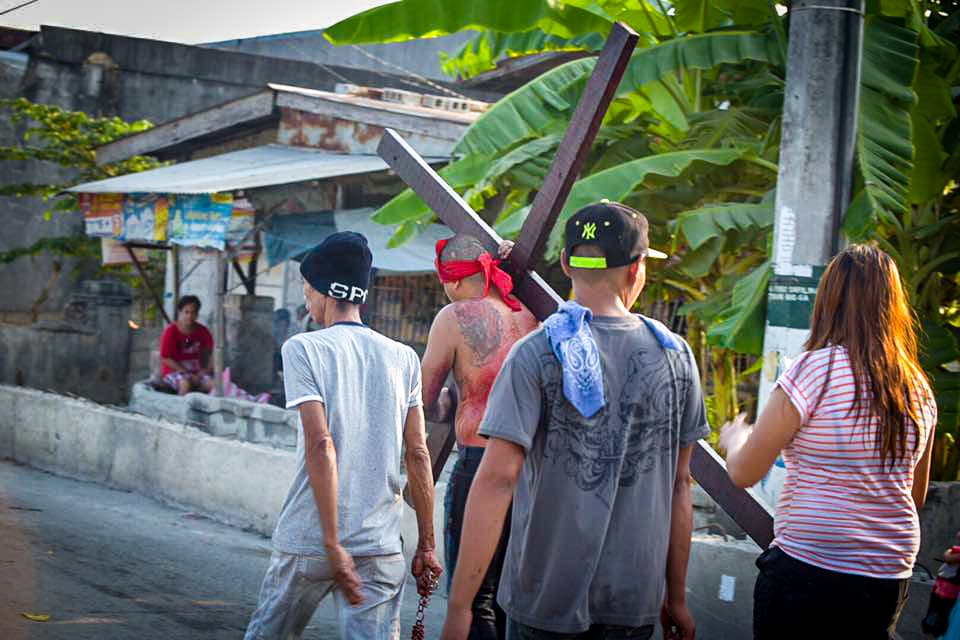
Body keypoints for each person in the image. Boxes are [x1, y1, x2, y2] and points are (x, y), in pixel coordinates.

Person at [441, 202, 708, 640]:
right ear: (637, 268)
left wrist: (460, 606)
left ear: (566, 262)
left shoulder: (534, 353)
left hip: (542, 599)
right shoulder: (675, 357)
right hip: (632, 601)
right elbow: (681, 485)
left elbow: (496, 481)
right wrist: (675, 597)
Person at [720, 244, 938, 640]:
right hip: (887, 577)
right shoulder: (916, 386)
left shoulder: (814, 371)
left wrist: (737, 437)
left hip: (809, 571)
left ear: (829, 300)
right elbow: (915, 493)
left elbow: (742, 472)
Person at [244, 232, 442, 640]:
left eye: (307, 290)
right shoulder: (404, 356)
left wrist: (333, 544)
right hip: (379, 545)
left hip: (309, 540)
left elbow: (321, 445)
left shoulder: (303, 349)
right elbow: (419, 454)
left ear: (325, 291)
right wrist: (426, 544)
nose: (306, 301)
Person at [421, 234, 538, 639]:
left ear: (451, 282)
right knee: (511, 596)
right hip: (532, 468)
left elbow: (424, 399)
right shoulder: (530, 313)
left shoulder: (453, 317)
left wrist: (451, 404)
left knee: (473, 599)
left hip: (479, 464)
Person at [159, 294, 213, 395]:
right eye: (186, 312)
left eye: (193, 312)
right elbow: (165, 358)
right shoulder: (171, 331)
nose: (190, 316)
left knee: (213, 384)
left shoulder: (203, 331)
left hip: (197, 372)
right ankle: (180, 409)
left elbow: (213, 353)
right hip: (174, 371)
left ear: (197, 314)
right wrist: (185, 372)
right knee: (185, 384)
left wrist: (206, 370)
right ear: (180, 312)